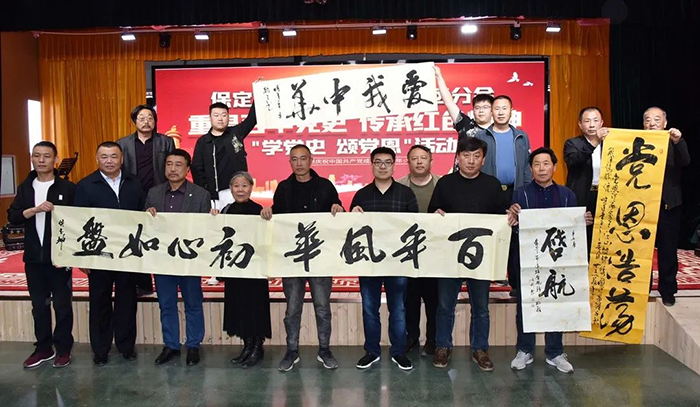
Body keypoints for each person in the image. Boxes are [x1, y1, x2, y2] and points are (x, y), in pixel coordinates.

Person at [506, 147, 593, 374]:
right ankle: (524, 350)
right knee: (526, 304)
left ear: (554, 167)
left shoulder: (567, 195)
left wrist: (582, 221)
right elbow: (514, 229)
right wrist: (512, 217)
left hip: (558, 261)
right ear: (530, 168)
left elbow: (573, 229)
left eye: (546, 164)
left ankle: (555, 352)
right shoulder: (521, 195)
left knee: (556, 301)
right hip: (530, 260)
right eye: (536, 164)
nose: (542, 169)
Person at [260, 144, 344, 372]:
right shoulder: (283, 188)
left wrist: (338, 208)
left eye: (303, 158)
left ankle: (325, 349)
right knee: (292, 308)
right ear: (290, 162)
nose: (299, 163)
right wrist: (268, 212)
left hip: (319, 258)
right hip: (292, 259)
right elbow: (276, 217)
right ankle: (291, 350)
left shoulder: (325, 186)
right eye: (294, 159)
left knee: (322, 307)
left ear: (311, 160)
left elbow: (338, 213)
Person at [428, 137, 509, 372]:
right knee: (445, 305)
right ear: (457, 158)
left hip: (481, 257)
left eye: (476, 156)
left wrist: (509, 216)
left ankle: (480, 349)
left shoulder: (492, 185)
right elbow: (433, 212)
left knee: (481, 307)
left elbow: (501, 218)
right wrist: (436, 214)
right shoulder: (445, 183)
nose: (471, 161)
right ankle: (443, 346)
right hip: (450, 256)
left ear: (483, 160)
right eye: (466, 155)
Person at [74, 141, 145, 366]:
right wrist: (82, 258)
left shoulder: (134, 182)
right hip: (98, 255)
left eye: (114, 156)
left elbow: (143, 215)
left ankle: (126, 346)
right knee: (99, 302)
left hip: (127, 254)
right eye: (104, 156)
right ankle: (100, 349)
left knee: (127, 301)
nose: (109, 161)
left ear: (122, 159)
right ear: (97, 159)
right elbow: (78, 222)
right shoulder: (85, 185)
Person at [8, 141, 76, 368]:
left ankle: (63, 349)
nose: (41, 160)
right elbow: (13, 216)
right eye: (37, 156)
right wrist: (34, 210)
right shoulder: (25, 187)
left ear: (55, 160)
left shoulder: (67, 188)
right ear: (32, 158)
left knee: (62, 306)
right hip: (33, 258)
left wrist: (68, 255)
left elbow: (77, 223)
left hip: (59, 259)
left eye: (46, 156)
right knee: (39, 305)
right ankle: (43, 348)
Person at [351, 147, 418, 371]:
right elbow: (352, 230)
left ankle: (398, 351)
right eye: (378, 162)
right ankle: (372, 351)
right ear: (371, 165)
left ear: (394, 165)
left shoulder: (406, 194)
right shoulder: (361, 195)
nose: (382, 166)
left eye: (387, 162)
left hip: (397, 262)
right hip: (368, 262)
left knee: (398, 309)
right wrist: (352, 215)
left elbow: (415, 227)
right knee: (370, 309)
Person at [144, 149, 209, 366]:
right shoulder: (154, 193)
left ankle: (193, 345)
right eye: (169, 164)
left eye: (178, 164)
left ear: (188, 169)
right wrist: (147, 216)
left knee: (193, 303)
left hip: (189, 260)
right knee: (167, 304)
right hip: (163, 259)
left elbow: (205, 229)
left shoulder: (201, 195)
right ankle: (171, 344)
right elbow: (144, 227)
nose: (173, 169)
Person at [211, 171, 271, 368]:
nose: (240, 190)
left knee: (255, 307)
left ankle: (257, 346)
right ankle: (247, 345)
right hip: (235, 269)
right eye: (236, 186)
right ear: (231, 189)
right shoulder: (226, 210)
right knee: (239, 306)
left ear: (251, 188)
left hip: (254, 270)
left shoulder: (259, 210)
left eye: (244, 185)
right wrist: (214, 219)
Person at [475, 95, 533, 294]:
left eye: (504, 108)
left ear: (511, 111)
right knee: (490, 235)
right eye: (497, 108)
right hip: (489, 193)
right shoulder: (482, 136)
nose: (500, 112)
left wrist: (525, 193)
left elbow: (526, 167)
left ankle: (515, 285)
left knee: (515, 239)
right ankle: (488, 280)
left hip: (515, 191)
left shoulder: (521, 136)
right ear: (491, 112)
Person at [117, 104, 175, 296]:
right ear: (134, 121)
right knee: (136, 238)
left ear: (155, 121)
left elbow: (172, 167)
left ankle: (166, 282)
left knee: (160, 238)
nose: (146, 121)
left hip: (159, 194)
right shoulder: (123, 143)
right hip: (132, 194)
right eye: (141, 118)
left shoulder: (165, 142)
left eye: (150, 118)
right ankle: (142, 284)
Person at [643, 107, 690, 306]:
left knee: (668, 250)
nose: (652, 123)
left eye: (656, 119)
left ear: (665, 123)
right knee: (642, 251)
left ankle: (668, 290)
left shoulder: (673, 142)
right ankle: (642, 288)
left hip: (668, 205)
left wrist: (678, 141)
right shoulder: (637, 143)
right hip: (643, 206)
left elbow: (685, 161)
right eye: (647, 120)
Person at [396, 145, 440, 356]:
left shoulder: (442, 185)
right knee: (410, 300)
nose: (419, 162)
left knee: (434, 301)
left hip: (435, 253)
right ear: (408, 162)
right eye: (415, 158)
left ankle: (432, 340)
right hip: (407, 253)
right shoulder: (398, 186)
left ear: (431, 161)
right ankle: (411, 337)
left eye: (424, 158)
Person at [191, 101, 257, 210]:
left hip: (234, 192)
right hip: (212, 195)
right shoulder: (203, 141)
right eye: (216, 115)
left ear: (228, 117)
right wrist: (204, 191)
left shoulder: (236, 133)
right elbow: (197, 169)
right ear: (210, 118)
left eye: (224, 115)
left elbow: (252, 119)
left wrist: (258, 94)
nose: (220, 119)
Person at [434, 65, 494, 172]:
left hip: (488, 177)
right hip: (461, 176)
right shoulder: (465, 124)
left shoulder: (497, 132)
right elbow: (449, 102)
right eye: (477, 108)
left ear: (492, 110)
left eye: (485, 107)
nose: (481, 111)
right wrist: (439, 77)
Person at [564, 107, 607, 249]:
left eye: (596, 120)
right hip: (583, 196)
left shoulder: (610, 144)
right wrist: (594, 142)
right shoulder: (572, 143)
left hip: (605, 195)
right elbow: (574, 161)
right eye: (587, 121)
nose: (592, 125)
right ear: (580, 124)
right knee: (582, 238)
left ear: (602, 123)